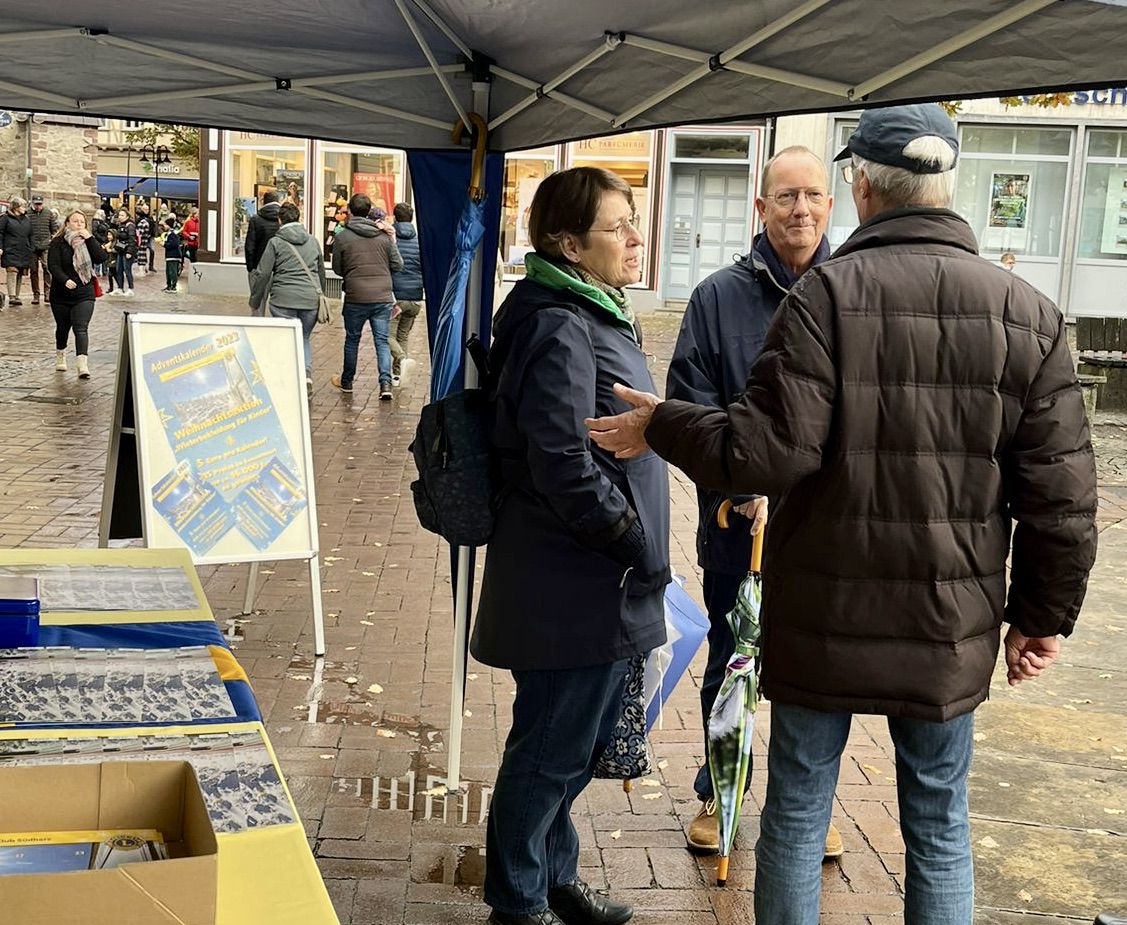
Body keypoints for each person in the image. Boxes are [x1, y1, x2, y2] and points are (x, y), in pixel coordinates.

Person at [586, 104, 1099, 925]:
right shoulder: (1026, 314)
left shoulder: (825, 297)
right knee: (937, 825)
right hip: (948, 620)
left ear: (859, 188)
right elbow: (1062, 498)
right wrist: (1040, 617)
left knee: (794, 812)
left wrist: (662, 422)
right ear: (946, 187)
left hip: (824, 612)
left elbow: (762, 451)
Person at [471, 166, 668, 925]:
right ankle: (518, 901)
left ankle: (554, 878)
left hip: (588, 578)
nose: (635, 237)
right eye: (619, 225)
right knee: (551, 748)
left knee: (567, 745)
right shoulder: (560, 321)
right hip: (573, 581)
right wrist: (628, 539)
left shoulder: (583, 307)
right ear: (567, 241)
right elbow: (558, 458)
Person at [666, 145, 842, 860]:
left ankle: (805, 806)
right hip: (739, 525)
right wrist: (739, 485)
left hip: (827, 530)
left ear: (831, 205)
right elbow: (689, 404)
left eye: (811, 196)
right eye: (784, 197)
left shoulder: (850, 287)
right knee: (734, 656)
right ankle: (717, 793)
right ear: (760, 208)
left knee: (818, 671)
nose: (798, 209)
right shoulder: (716, 298)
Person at [330, 196, 403, 400]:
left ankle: (347, 382)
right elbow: (398, 265)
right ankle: (385, 383)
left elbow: (337, 268)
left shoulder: (342, 237)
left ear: (350, 212)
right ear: (369, 211)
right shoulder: (383, 237)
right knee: (381, 340)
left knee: (352, 339)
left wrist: (352, 272)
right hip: (382, 296)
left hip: (355, 296)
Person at [249, 201, 325, 398]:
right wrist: (320, 294)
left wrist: (255, 300)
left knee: (284, 339)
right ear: (298, 218)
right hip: (310, 300)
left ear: (280, 220)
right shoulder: (313, 241)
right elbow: (320, 272)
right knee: (304, 338)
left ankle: (284, 380)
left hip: (283, 300)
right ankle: (306, 376)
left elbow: (263, 274)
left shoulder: (275, 242)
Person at [47, 210, 107, 379]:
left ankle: (82, 365)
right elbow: (53, 265)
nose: (79, 224)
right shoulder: (57, 242)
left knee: (81, 328)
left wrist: (90, 238)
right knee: (63, 328)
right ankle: (61, 354)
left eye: (82, 222)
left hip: (84, 292)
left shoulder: (88, 241)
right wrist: (64, 280)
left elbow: (101, 257)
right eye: (75, 221)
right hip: (61, 294)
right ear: (67, 223)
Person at [389, 201, 423, 387]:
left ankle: (401, 360)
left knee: (386, 335)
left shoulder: (391, 240)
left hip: (396, 298)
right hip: (416, 298)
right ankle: (398, 376)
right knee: (403, 335)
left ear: (395, 217)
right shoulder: (420, 241)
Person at [244, 189, 283, 297]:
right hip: (280, 268)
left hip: (260, 267)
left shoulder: (255, 219)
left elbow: (249, 246)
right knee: (280, 306)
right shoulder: (284, 218)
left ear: (263, 202)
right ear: (278, 201)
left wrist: (251, 268)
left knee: (258, 304)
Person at [0, 197, 34, 308]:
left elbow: (30, 234)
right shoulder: (6, 218)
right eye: (22, 206)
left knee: (19, 272)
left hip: (24, 250)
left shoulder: (27, 219)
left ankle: (17, 295)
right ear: (16, 207)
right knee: (12, 271)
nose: (25, 208)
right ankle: (12, 296)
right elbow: (0, 233)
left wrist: (31, 247)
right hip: (10, 249)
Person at [28, 194, 59, 306]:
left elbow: (53, 228)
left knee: (47, 269)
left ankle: (47, 293)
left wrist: (52, 240)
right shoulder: (28, 214)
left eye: (40, 204)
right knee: (34, 271)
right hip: (32, 246)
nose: (38, 206)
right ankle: (36, 294)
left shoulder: (48, 213)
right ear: (32, 203)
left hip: (46, 246)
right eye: (36, 204)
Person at [110, 208, 137, 297]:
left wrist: (129, 251)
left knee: (127, 270)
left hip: (127, 251)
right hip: (121, 250)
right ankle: (120, 288)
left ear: (127, 216)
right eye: (119, 215)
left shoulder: (130, 226)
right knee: (119, 269)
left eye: (122, 215)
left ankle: (130, 288)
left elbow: (132, 239)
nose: (120, 217)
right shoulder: (120, 225)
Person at [161, 216, 183, 292]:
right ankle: (169, 285)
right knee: (168, 272)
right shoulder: (170, 234)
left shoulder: (172, 234)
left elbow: (174, 244)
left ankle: (173, 286)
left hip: (173, 256)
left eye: (165, 225)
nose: (164, 226)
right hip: (170, 256)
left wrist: (164, 244)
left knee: (172, 271)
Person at [135, 201, 156, 276]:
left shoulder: (149, 218)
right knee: (142, 252)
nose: (146, 211)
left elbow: (153, 226)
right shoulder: (140, 219)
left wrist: (152, 234)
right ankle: (144, 267)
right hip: (144, 237)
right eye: (145, 209)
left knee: (150, 251)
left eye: (147, 209)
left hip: (147, 237)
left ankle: (150, 266)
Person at [91, 209, 111, 280]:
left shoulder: (103, 222)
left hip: (104, 241)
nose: (105, 215)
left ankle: (105, 270)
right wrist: (101, 239)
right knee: (98, 255)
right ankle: (97, 271)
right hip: (98, 241)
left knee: (105, 256)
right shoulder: (96, 222)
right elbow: (94, 232)